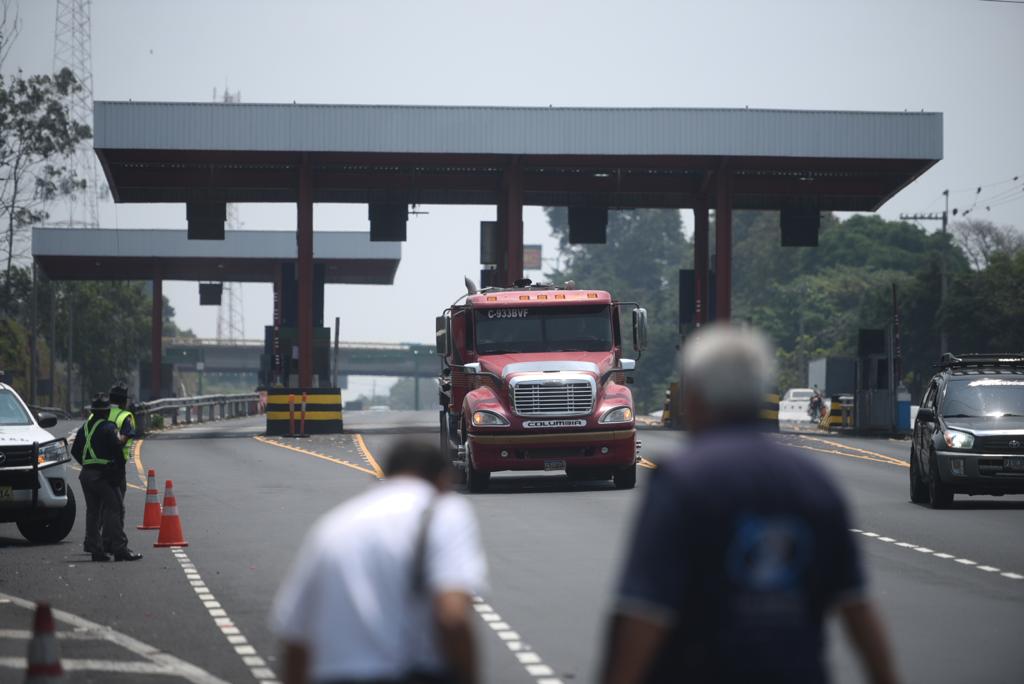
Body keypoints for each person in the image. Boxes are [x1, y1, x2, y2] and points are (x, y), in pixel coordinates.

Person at [602, 323, 898, 684]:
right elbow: (857, 608)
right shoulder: (814, 480)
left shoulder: (681, 483)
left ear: (693, 398)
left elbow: (644, 614)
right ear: (761, 396)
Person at [270, 438, 487, 684]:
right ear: (442, 480)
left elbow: (296, 639)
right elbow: (453, 617)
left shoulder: (332, 527)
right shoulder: (442, 512)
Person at [70, 394, 143, 562]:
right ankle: (120, 548)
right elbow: (117, 448)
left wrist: (87, 464)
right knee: (115, 508)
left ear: (93, 411)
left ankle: (96, 550)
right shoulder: (109, 428)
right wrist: (118, 471)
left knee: (93, 512)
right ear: (105, 412)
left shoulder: (85, 428)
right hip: (102, 475)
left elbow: (75, 450)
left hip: (86, 475)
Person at [106, 383, 136, 552]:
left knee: (99, 509)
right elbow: (125, 437)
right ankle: (116, 544)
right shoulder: (126, 416)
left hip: (95, 466)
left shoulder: (99, 413)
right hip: (116, 468)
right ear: (124, 401)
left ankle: (99, 542)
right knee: (117, 507)